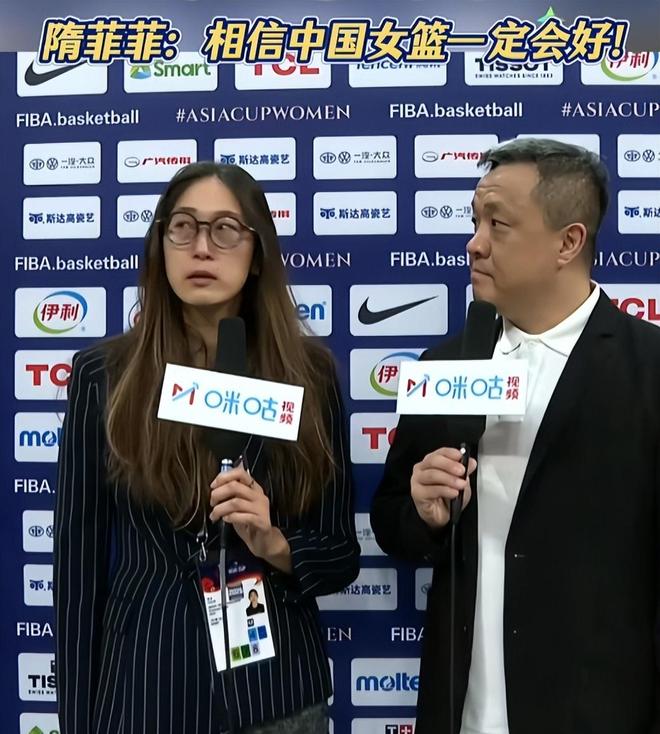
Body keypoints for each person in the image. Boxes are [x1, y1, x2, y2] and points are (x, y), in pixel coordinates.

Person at [54, 161, 360, 734]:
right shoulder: (104, 375)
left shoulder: (309, 376)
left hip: (274, 694)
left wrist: (272, 542)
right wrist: (76, 718)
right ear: (161, 245)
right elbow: (77, 570)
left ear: (257, 253)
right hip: (144, 684)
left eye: (224, 229)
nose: (201, 247)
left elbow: (339, 552)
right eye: (183, 227)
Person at [370, 138, 660, 734]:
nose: (474, 243)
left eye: (498, 224)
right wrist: (424, 514)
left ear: (568, 242)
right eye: (475, 222)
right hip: (462, 711)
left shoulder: (648, 368)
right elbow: (392, 520)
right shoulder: (447, 365)